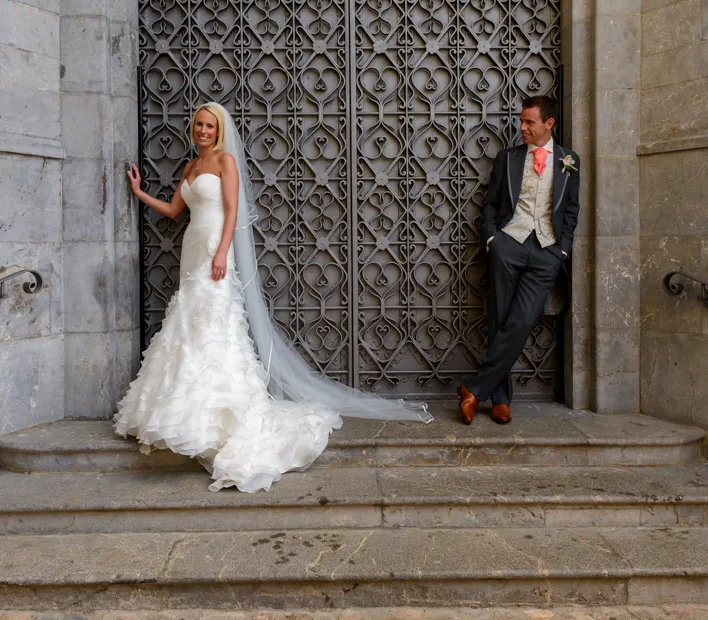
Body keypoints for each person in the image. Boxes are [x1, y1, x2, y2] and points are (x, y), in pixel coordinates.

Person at [114, 102, 432, 492]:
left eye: (209, 126)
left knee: (215, 327)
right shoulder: (190, 168)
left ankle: (218, 414)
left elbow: (232, 211)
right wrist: (139, 192)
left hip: (215, 248)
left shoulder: (226, 162)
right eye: (198, 124)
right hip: (192, 249)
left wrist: (221, 252)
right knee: (189, 326)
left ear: (218, 130)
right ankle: (185, 410)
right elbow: (174, 210)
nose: (202, 131)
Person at [457, 96, 580, 425]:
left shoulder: (569, 160)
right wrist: (493, 240)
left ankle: (474, 389)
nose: (522, 127)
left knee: (521, 321)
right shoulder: (507, 158)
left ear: (548, 124)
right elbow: (491, 205)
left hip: (547, 251)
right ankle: (500, 400)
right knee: (500, 319)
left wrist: (562, 249)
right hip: (508, 244)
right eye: (521, 121)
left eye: (529, 122)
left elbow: (570, 209)